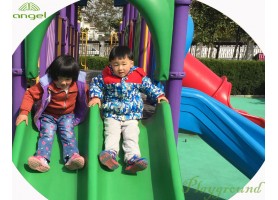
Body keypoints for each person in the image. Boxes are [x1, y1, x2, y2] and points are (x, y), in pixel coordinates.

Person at [88, 46, 168, 173]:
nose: (120, 68)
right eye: (116, 64)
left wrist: (159, 95)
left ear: (131, 63)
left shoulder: (138, 76)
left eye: (124, 64)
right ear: (110, 64)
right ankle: (110, 154)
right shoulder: (106, 76)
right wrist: (96, 97)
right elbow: (95, 85)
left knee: (131, 135)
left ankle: (132, 159)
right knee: (111, 133)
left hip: (131, 115)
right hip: (112, 114)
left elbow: (149, 87)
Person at [16, 55, 89, 173]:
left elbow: (89, 93)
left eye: (67, 79)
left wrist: (96, 99)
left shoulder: (78, 85)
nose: (62, 82)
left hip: (67, 115)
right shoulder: (46, 85)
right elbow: (30, 94)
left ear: (74, 78)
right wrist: (24, 113)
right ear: (53, 76)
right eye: (58, 79)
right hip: (48, 116)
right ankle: (42, 159)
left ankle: (72, 157)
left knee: (68, 134)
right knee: (47, 134)